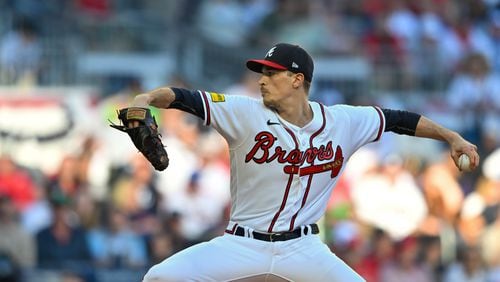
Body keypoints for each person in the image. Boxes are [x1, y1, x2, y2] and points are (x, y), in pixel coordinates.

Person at [124, 43, 479, 281]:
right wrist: (146, 97)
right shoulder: (243, 111)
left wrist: (451, 136)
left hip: (303, 247)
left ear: (297, 80)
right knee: (160, 278)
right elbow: (183, 98)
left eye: (272, 73)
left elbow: (400, 119)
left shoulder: (342, 121)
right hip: (242, 243)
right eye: (262, 73)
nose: (262, 80)